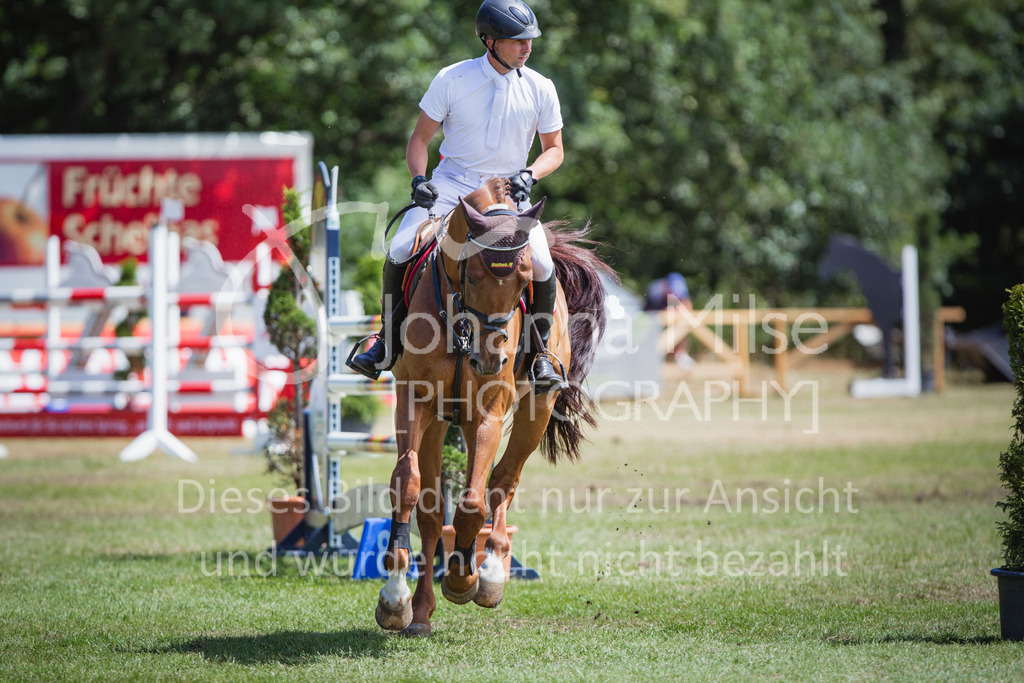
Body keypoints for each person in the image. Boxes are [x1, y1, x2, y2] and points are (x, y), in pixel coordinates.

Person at [347, 0, 568, 394]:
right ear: (490, 40)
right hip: (451, 185)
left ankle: (539, 357)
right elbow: (419, 140)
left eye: (529, 40)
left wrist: (530, 174)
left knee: (542, 264)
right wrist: (419, 180)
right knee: (400, 247)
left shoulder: (541, 87)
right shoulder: (453, 78)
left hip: (505, 192)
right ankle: (385, 342)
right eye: (516, 40)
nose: (526, 47)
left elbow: (555, 150)